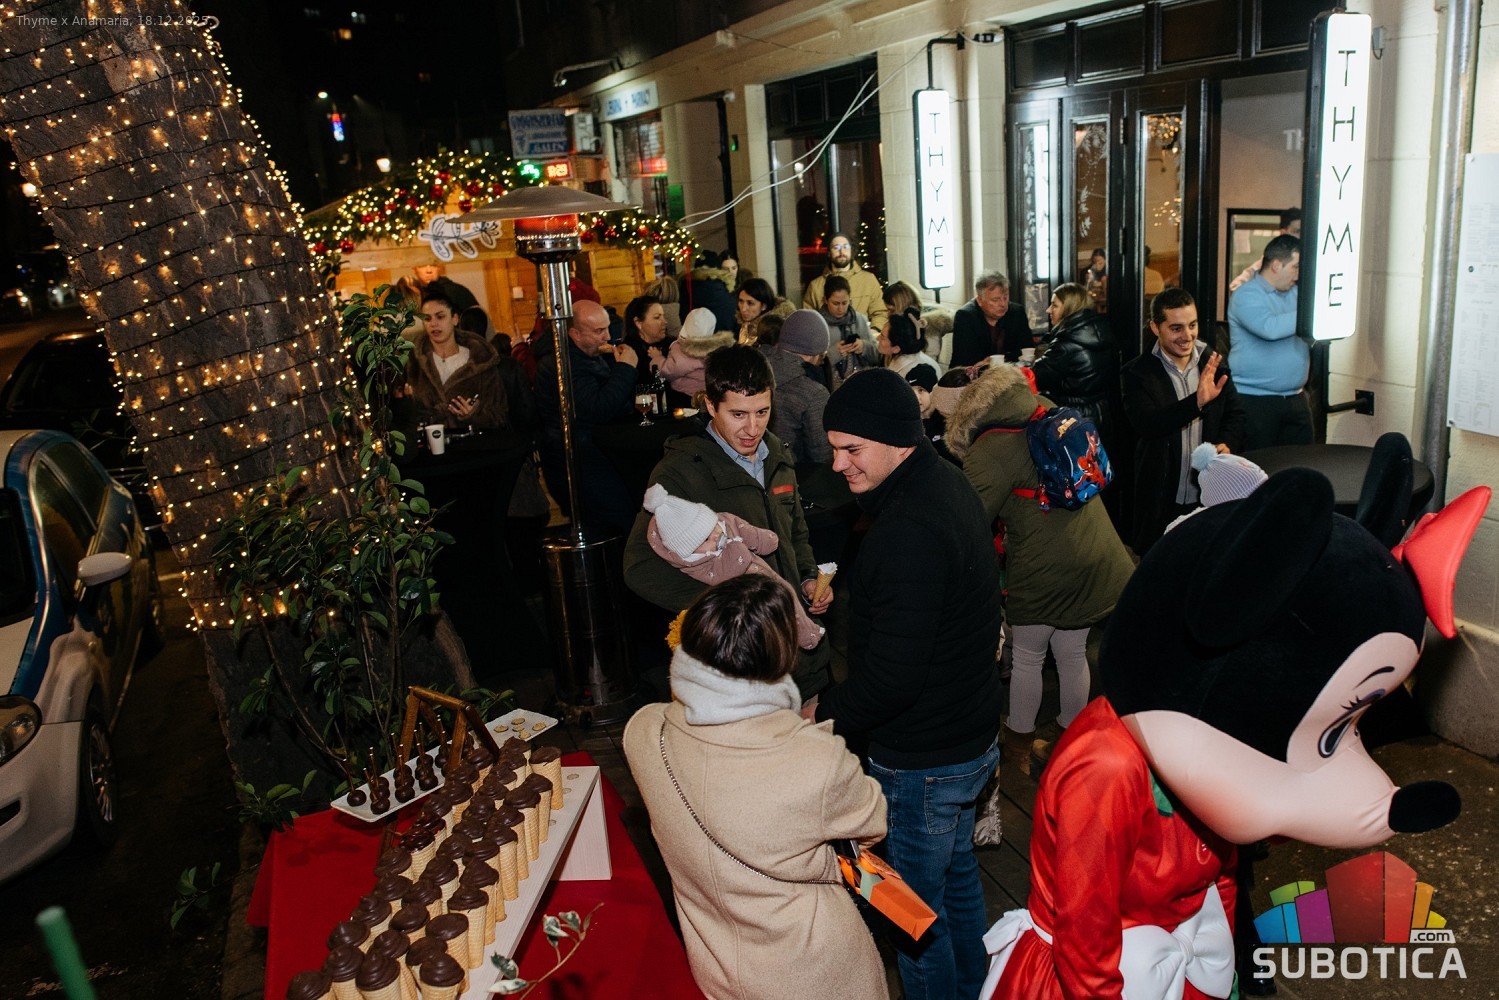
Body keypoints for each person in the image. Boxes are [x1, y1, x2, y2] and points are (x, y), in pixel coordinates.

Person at [812, 368, 1004, 1000]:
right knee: (957, 882)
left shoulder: (906, 531)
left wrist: (821, 713)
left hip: (923, 761)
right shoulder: (944, 480)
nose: (838, 464)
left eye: (852, 449)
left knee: (909, 920)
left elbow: (892, 680)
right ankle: (976, 988)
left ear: (897, 442)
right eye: (833, 448)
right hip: (969, 736)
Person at [623, 575, 888, 1000]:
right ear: (781, 658)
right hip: (812, 971)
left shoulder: (643, 731)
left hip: (715, 964)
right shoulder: (817, 760)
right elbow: (871, 824)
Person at [945, 363, 1134, 775]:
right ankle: (1069, 740)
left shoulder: (988, 450)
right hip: (1094, 548)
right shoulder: (1042, 406)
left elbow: (970, 521)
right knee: (1072, 652)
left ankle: (1017, 745)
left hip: (1045, 567)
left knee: (1028, 657)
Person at [625, 345, 833, 698]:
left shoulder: (777, 454)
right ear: (710, 405)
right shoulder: (679, 473)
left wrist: (808, 578)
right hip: (742, 667)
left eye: (762, 412)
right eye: (738, 414)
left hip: (803, 658)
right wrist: (731, 606)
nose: (752, 428)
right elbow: (639, 567)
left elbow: (795, 532)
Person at [1121, 289, 1246, 554]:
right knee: (1159, 566)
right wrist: (1196, 403)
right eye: (1176, 328)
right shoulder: (1137, 373)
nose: (1187, 336)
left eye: (1192, 325)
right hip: (1160, 498)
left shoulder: (1213, 363)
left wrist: (1227, 442)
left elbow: (1235, 414)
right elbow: (1147, 424)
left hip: (1208, 495)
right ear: (1155, 327)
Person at [641, 484, 824, 649]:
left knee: (789, 593)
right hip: (750, 602)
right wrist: (736, 545)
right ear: (689, 551)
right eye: (705, 539)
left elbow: (740, 526)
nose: (716, 536)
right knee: (779, 616)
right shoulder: (697, 565)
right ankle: (805, 638)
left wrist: (760, 538)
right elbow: (728, 571)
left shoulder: (722, 523)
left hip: (769, 577)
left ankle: (809, 631)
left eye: (713, 527)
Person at [534, 299, 640, 535]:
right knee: (620, 520)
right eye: (599, 331)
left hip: (592, 453)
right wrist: (626, 369)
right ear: (575, 334)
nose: (607, 337)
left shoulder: (588, 355)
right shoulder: (565, 364)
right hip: (579, 460)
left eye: (607, 328)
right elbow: (598, 409)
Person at [1226, 234, 1309, 449]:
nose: (1298, 275)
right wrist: (1310, 314)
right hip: (1255, 401)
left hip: (1295, 398)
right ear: (1276, 265)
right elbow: (1270, 329)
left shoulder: (1297, 293)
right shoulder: (1245, 295)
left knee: (1302, 463)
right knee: (1260, 466)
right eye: (1295, 267)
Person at [402, 289, 508, 430]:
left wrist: (474, 414)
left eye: (440, 317)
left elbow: (500, 414)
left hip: (472, 441)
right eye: (427, 319)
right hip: (430, 441)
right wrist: (406, 401)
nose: (433, 324)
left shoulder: (481, 360)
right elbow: (403, 418)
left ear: (455, 319)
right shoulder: (414, 361)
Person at [1029, 282, 1120, 435]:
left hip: (1073, 420)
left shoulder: (1066, 343)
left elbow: (1037, 376)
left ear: (1069, 308)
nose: (1048, 310)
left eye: (1054, 305)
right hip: (1102, 415)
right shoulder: (1102, 331)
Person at [762, 310, 833, 465]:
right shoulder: (813, 393)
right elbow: (823, 456)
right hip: (794, 474)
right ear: (817, 354)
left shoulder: (756, 367)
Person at [801, 231, 888, 329]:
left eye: (845, 247)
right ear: (829, 253)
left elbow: (880, 312)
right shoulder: (816, 286)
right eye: (836, 248)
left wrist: (874, 331)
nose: (841, 252)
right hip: (830, 338)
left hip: (861, 337)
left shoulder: (868, 280)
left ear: (851, 250)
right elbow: (808, 320)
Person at [950, 271, 1034, 366]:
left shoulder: (1017, 312)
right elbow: (963, 360)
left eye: (1005, 298)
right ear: (980, 300)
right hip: (976, 372)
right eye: (995, 300)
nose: (1003, 304)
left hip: (1012, 370)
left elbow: (1027, 348)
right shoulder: (966, 317)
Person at [659, 307, 734, 399]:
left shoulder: (682, 351)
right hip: (708, 394)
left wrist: (657, 358)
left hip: (683, 395)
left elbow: (667, 372)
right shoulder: (716, 350)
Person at [819, 274, 878, 383]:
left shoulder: (859, 319)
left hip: (862, 380)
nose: (841, 308)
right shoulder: (818, 324)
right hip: (830, 384)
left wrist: (863, 346)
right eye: (836, 303)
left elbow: (878, 354)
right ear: (826, 300)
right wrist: (833, 354)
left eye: (844, 303)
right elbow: (810, 363)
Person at [1229, 207, 1302, 292]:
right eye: (1297, 232)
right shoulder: (1270, 260)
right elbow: (1236, 286)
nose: (1301, 237)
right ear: (1283, 233)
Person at [878, 307, 940, 390]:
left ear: (896, 348)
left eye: (882, 337)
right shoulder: (897, 357)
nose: (877, 338)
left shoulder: (919, 373)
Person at [622, 294, 671, 382]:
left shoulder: (672, 345)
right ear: (638, 323)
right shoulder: (628, 353)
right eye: (657, 317)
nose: (664, 322)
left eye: (663, 316)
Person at [411, 262, 478, 314]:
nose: (429, 270)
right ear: (414, 269)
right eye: (422, 265)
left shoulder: (458, 291)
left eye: (433, 265)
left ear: (439, 267)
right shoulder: (411, 294)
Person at [735, 276, 779, 345]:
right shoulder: (741, 326)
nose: (743, 309)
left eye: (750, 303)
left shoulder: (773, 330)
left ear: (764, 306)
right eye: (741, 301)